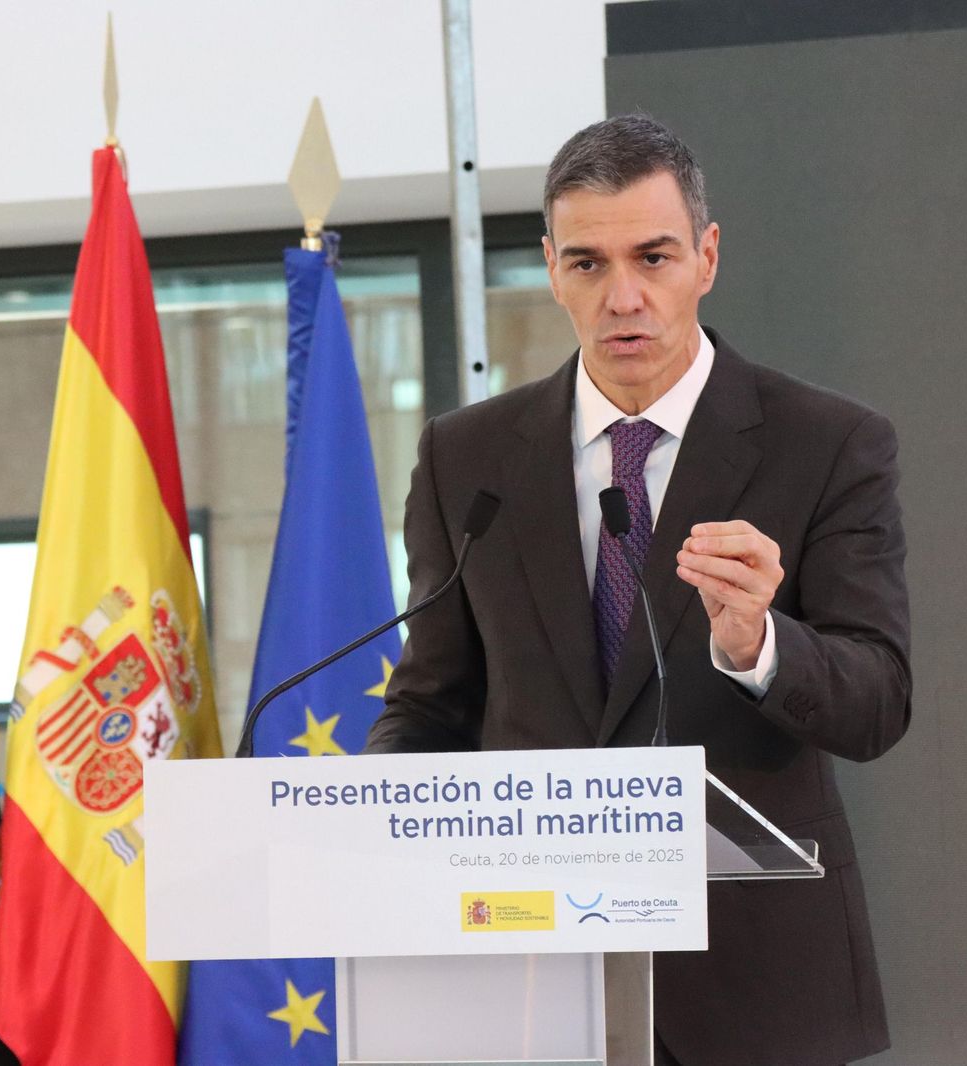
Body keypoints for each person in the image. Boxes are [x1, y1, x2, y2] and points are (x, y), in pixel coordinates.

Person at [364, 115, 911, 1066]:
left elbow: (878, 701)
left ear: (707, 257)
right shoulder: (466, 458)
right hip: (530, 982)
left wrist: (760, 646)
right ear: (551, 269)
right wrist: (367, 823)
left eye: (653, 257)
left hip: (755, 987)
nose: (623, 297)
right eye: (587, 263)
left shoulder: (827, 443)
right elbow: (431, 703)